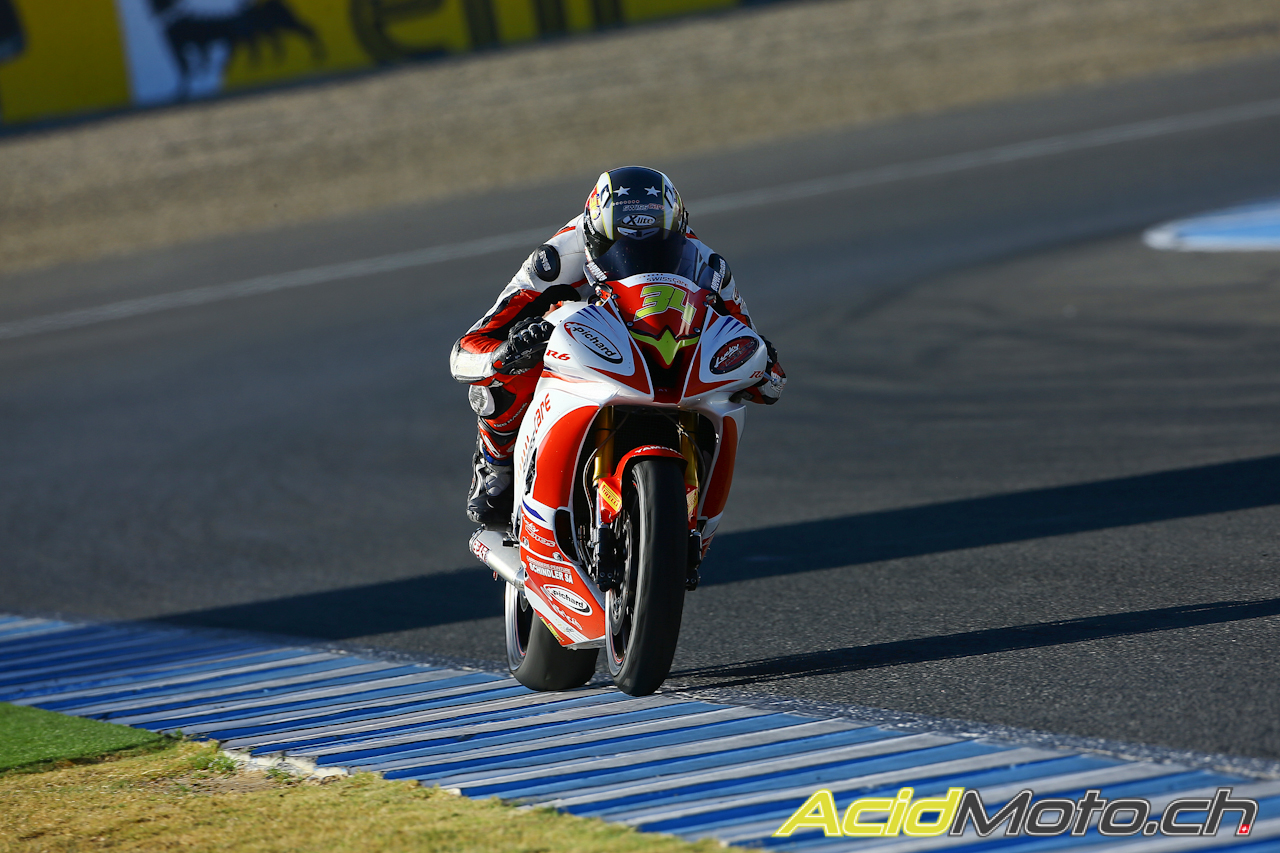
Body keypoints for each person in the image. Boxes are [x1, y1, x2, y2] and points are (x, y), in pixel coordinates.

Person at [449, 166, 786, 525]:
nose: (638, 255)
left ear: (679, 231)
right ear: (593, 234)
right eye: (618, 245)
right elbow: (467, 348)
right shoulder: (558, 258)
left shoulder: (706, 264)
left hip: (659, 353)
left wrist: (762, 365)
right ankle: (496, 465)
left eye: (657, 244)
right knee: (506, 371)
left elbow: (753, 348)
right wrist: (506, 352)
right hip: (580, 343)